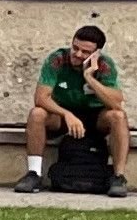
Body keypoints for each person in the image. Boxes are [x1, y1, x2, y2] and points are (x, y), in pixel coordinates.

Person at [20, 24, 131, 195]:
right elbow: (41, 98)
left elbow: (117, 104)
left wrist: (90, 78)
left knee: (118, 117)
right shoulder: (57, 59)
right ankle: (34, 174)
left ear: (96, 54)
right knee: (37, 114)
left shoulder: (104, 65)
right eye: (75, 48)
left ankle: (118, 177)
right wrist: (66, 114)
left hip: (95, 116)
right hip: (62, 114)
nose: (78, 54)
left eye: (85, 52)